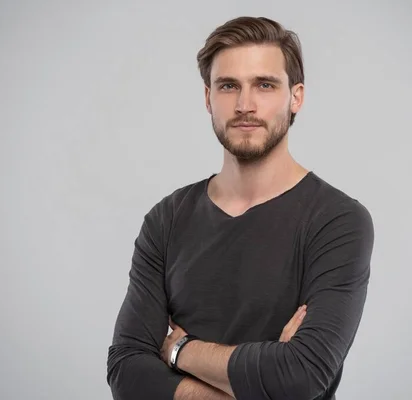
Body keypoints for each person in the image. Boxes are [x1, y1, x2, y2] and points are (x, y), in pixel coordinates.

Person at [106, 16, 374, 400]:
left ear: (295, 96)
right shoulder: (166, 219)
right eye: (228, 86)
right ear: (207, 98)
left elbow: (301, 376)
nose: (245, 105)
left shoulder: (337, 220)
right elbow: (127, 373)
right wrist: (260, 381)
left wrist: (180, 351)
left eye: (265, 85)